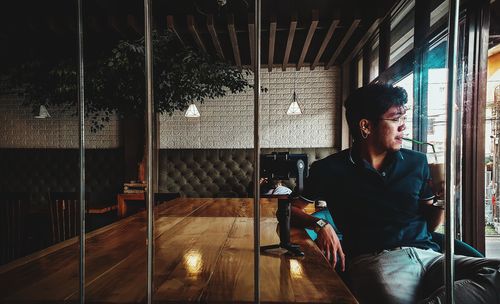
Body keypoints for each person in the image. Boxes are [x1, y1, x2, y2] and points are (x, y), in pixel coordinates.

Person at [290, 84, 500, 303]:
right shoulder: (329, 169)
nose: (404, 127)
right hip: (376, 261)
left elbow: (430, 224)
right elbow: (287, 210)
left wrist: (442, 201)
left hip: (430, 257)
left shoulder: (417, 162)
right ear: (366, 126)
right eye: (395, 119)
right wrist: (320, 225)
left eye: (404, 118)